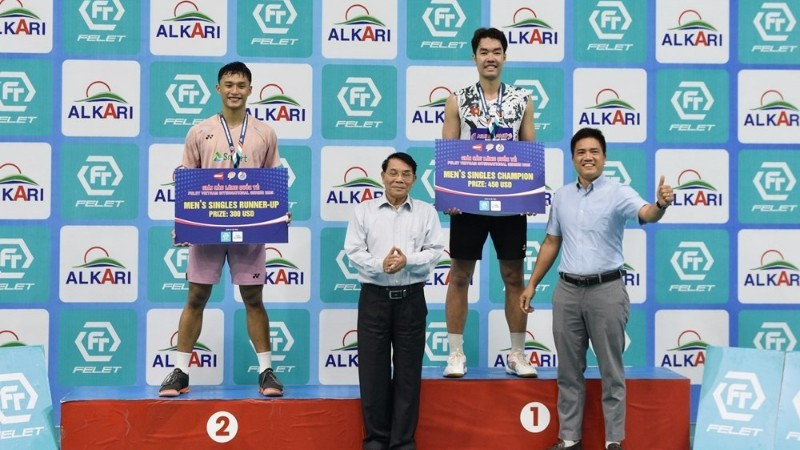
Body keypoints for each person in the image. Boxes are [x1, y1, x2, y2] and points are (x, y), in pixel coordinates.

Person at [520, 128, 674, 450]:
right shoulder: (561, 196)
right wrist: (532, 284)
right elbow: (551, 242)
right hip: (567, 292)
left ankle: (613, 441)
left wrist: (661, 204)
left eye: (594, 152)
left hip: (607, 291)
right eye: (581, 152)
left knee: (611, 371)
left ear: (604, 157)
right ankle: (569, 438)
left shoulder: (618, 192)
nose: (587, 157)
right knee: (568, 371)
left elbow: (647, 213)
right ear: (573, 158)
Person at [159, 61, 285, 398]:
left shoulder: (265, 133)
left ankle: (266, 372)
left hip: (250, 229)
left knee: (253, 298)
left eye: (241, 85)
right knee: (196, 296)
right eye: (228, 84)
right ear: (218, 89)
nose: (234, 91)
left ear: (250, 90)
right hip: (208, 230)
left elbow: (273, 180)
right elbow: (186, 180)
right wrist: (185, 223)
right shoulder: (199, 131)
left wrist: (277, 214)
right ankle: (180, 372)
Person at [440, 27, 537, 378]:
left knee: (513, 276)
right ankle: (455, 354)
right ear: (474, 57)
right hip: (469, 200)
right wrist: (450, 195)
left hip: (509, 200)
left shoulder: (522, 99)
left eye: (496, 51)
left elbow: (528, 148)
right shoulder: (457, 99)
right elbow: (449, 150)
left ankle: (517, 354)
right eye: (484, 52)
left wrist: (529, 190)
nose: (490, 57)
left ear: (505, 57)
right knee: (459, 275)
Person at [344, 152, 444, 450]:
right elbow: (353, 251)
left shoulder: (426, 212)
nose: (399, 179)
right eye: (393, 173)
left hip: (411, 299)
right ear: (383, 176)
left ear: (414, 179)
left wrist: (407, 261)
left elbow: (435, 250)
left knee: (408, 375)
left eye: (406, 174)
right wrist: (381, 265)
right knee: (372, 374)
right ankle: (376, 440)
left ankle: (403, 443)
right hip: (374, 299)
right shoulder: (364, 211)